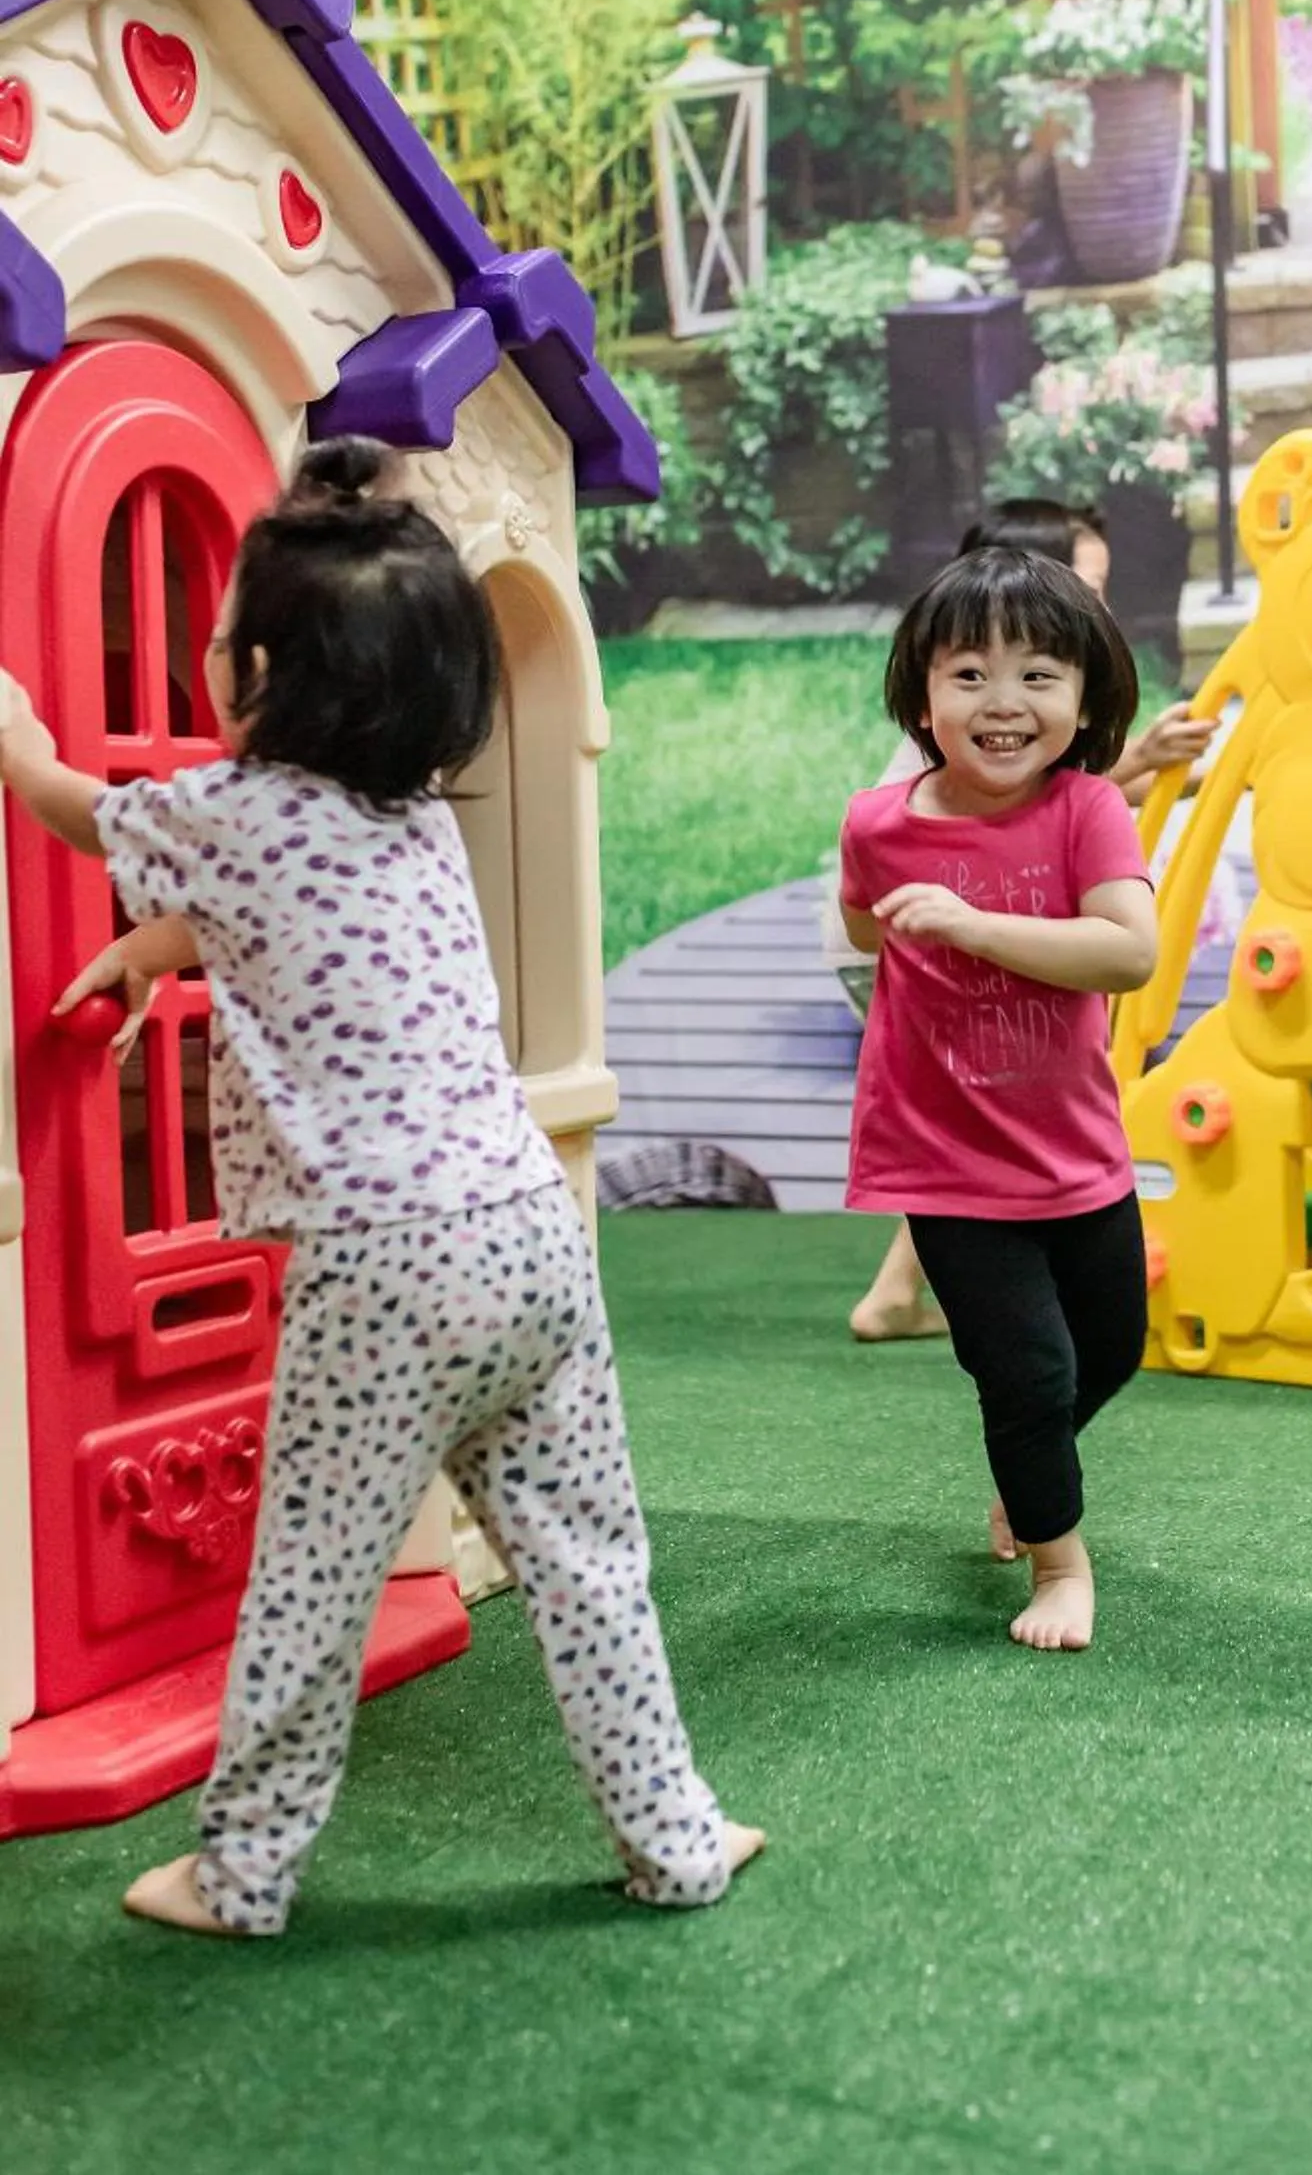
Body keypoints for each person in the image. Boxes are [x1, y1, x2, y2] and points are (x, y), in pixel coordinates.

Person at [0, 436, 762, 1937]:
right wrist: (154, 951)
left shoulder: (223, 808)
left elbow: (74, 805)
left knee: (306, 1586)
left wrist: (14, 730)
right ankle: (673, 1837)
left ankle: (243, 1872)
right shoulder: (413, 819)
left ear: (258, 668)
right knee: (592, 1561)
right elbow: (288, 919)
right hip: (530, 1239)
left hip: (387, 1271)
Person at [840, 544, 1159, 1652]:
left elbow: (1126, 953)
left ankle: (1034, 1478)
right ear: (922, 697)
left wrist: (973, 927)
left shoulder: (1085, 813)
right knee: (1028, 1366)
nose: (1003, 699)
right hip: (943, 1160)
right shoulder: (878, 822)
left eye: (1037, 673)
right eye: (968, 673)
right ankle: (1060, 1560)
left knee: (1110, 1347)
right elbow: (860, 922)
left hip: (1075, 1151)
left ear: (1085, 697)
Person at [844, 497, 1214, 1346]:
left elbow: (1053, 810)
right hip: (906, 935)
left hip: (944, 928)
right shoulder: (945, 751)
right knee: (962, 1113)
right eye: (1085, 587)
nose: (1000, 699)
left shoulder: (1047, 763)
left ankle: (919, 1292)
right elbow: (1002, 807)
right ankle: (918, 1295)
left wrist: (1150, 767)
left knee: (975, 1109)